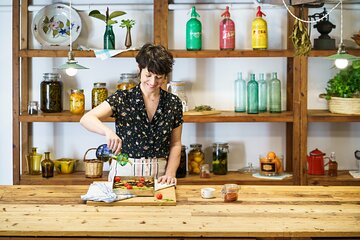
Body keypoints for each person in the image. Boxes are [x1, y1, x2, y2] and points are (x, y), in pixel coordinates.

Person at [80, 43, 183, 185]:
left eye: (159, 77)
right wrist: (107, 131)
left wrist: (170, 173)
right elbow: (86, 118)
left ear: (165, 76)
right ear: (139, 69)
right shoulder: (122, 98)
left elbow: (176, 144)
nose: (153, 82)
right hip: (124, 173)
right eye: (148, 75)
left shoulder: (173, 102)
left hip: (160, 175)